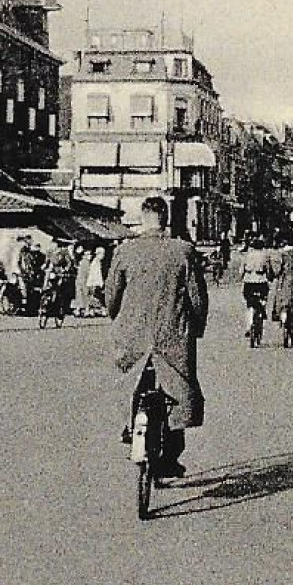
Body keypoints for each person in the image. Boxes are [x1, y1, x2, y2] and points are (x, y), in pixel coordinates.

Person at [106, 196, 208, 479]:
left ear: (142, 218)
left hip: (132, 336)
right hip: (172, 335)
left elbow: (111, 296)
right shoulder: (182, 251)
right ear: (166, 219)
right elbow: (197, 298)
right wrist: (197, 327)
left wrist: (116, 317)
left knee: (130, 384)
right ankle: (171, 455)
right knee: (177, 392)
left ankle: (130, 425)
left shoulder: (125, 252)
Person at [238, 233, 273, 342]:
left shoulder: (247, 255)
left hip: (248, 281)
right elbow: (269, 270)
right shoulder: (265, 256)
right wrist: (270, 277)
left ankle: (249, 325)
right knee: (263, 300)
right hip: (261, 281)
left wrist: (241, 278)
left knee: (249, 304)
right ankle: (261, 312)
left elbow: (241, 271)